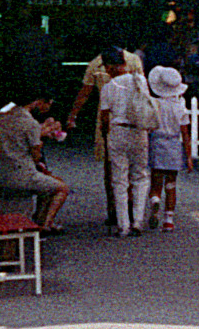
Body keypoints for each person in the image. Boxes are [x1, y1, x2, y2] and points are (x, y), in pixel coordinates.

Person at [68, 45, 143, 229]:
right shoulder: (135, 62)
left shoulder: (98, 69)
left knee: (112, 171)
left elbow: (86, 93)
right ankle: (135, 215)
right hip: (136, 123)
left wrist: (73, 115)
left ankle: (116, 213)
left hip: (111, 124)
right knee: (138, 172)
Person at [96, 46, 155, 237]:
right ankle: (138, 221)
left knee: (119, 180)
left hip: (118, 132)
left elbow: (105, 116)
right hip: (139, 132)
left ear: (110, 67)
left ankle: (123, 225)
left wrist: (105, 135)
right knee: (140, 176)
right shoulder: (140, 81)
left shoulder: (108, 88)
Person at [0, 93, 69, 232]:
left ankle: (39, 221)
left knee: (47, 186)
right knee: (62, 188)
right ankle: (46, 225)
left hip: (3, 170)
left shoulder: (3, 116)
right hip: (23, 174)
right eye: (48, 104)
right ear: (38, 102)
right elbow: (36, 155)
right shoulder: (30, 123)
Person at [145, 63, 192, 231]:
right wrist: (188, 156)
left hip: (157, 143)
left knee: (156, 182)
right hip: (174, 145)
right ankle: (169, 221)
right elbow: (185, 134)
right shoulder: (180, 107)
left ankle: (155, 201)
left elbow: (148, 126)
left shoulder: (154, 104)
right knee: (171, 185)